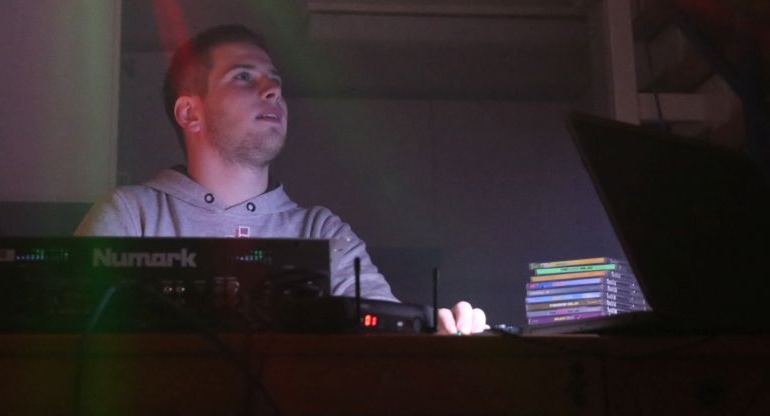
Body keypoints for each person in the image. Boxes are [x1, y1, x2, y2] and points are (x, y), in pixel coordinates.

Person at [76, 24, 487, 335]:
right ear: (190, 113)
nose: (272, 88)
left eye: (275, 79)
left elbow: (385, 338)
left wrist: (441, 335)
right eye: (243, 76)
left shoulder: (322, 231)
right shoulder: (131, 214)